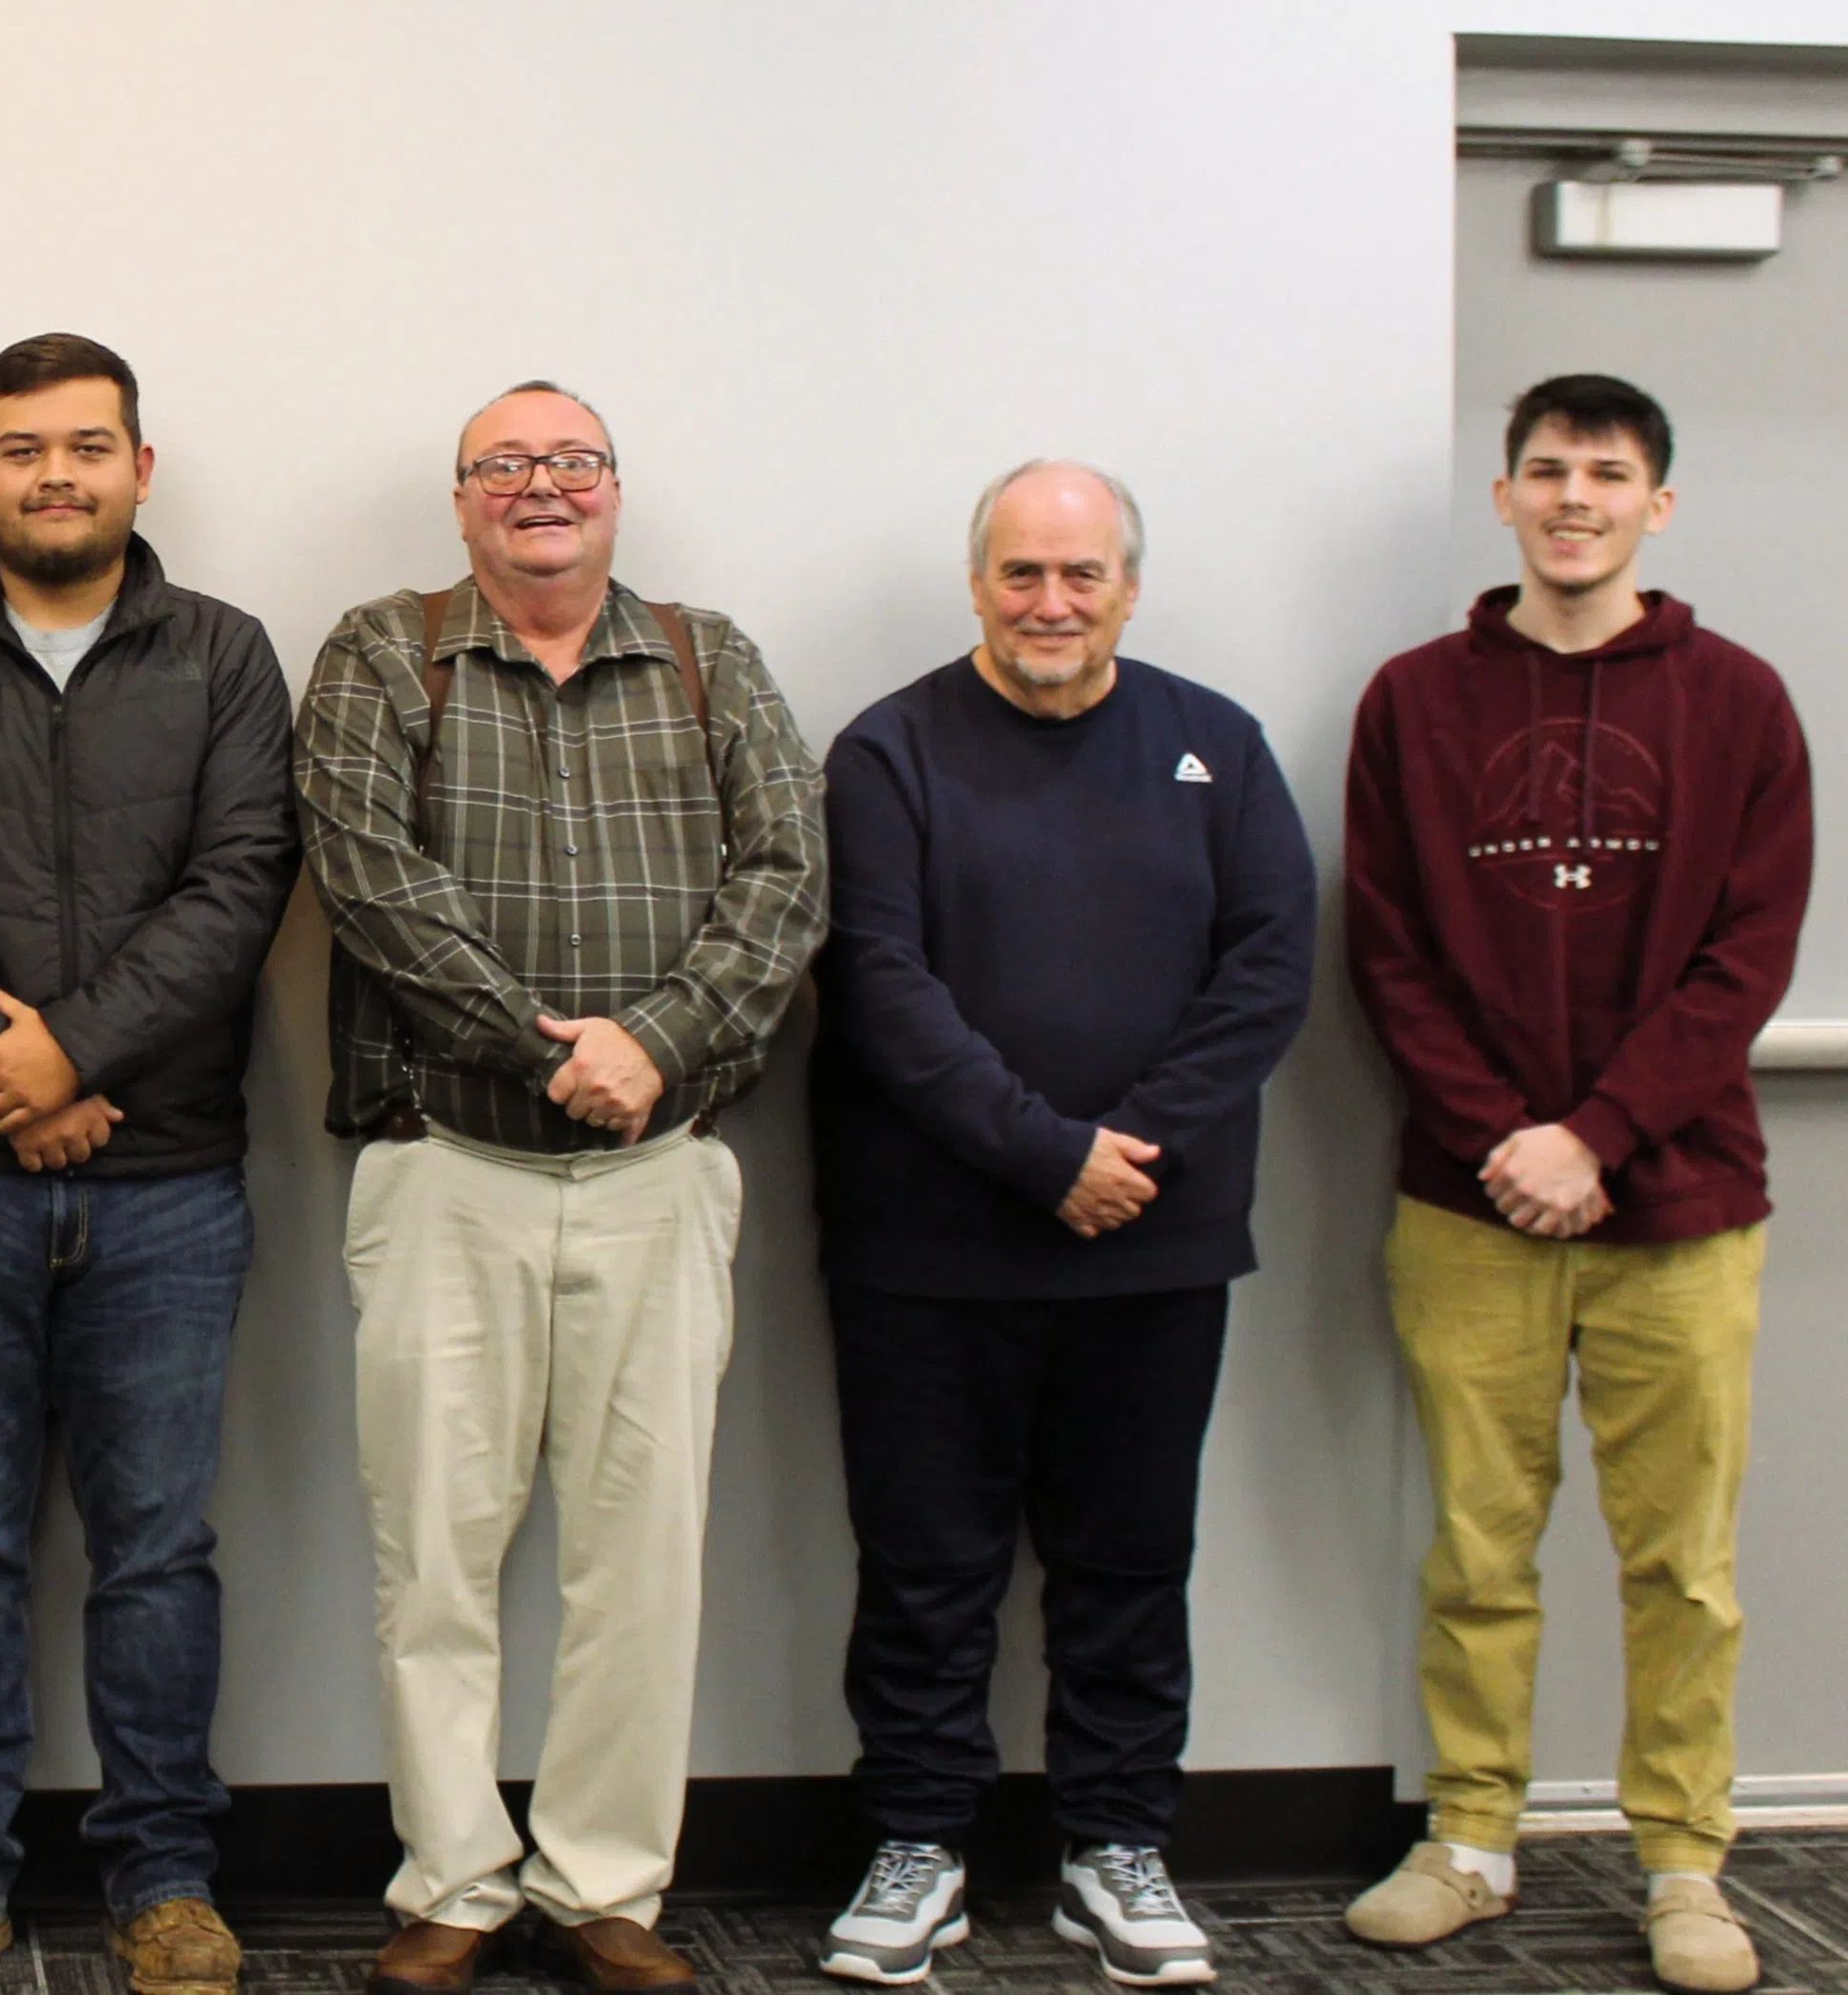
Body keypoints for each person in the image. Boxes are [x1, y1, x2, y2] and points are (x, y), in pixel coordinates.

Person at [295, 383, 826, 1994]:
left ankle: (606, 1885)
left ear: (615, 489)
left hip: (661, 1176)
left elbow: (787, 878)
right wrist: (552, 1052)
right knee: (433, 1557)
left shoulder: (711, 659)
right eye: (507, 466)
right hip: (444, 1172)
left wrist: (655, 1046)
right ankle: (453, 1884)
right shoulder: (385, 654)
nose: (544, 488)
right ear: (463, 500)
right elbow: (373, 886)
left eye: (573, 462)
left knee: (641, 1560)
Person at [0, 334, 298, 1995]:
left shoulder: (224, 654)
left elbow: (242, 883)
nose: (57, 476)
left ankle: (166, 1878)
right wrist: (18, 1079)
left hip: (169, 1182)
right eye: (23, 449)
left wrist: (73, 1058)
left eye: (89, 446)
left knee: (158, 1549)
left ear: (141, 469)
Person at [806, 462, 1314, 1988]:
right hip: (927, 1252)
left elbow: (1269, 966)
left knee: (1131, 1565)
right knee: (924, 1570)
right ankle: (919, 1843)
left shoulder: (1218, 745)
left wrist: (1127, 1150)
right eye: (1021, 573)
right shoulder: (888, 750)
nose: (1050, 602)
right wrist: (1046, 1156)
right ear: (978, 584)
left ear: (1128, 589)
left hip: (1154, 1242)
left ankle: (1117, 1846)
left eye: (1081, 575)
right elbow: (879, 985)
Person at [1337, 375, 1809, 1995]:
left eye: (1607, 475)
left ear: (1655, 506)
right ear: (1505, 497)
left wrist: (1597, 1135)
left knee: (1684, 1566)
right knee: (1478, 1547)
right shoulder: (1413, 702)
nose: (1574, 500)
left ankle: (1685, 1864)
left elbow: (1748, 955)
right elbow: (1386, 950)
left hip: (1686, 1210)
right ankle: (1471, 1839)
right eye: (1546, 471)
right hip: (1467, 1206)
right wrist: (1509, 1141)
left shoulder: (1742, 703)